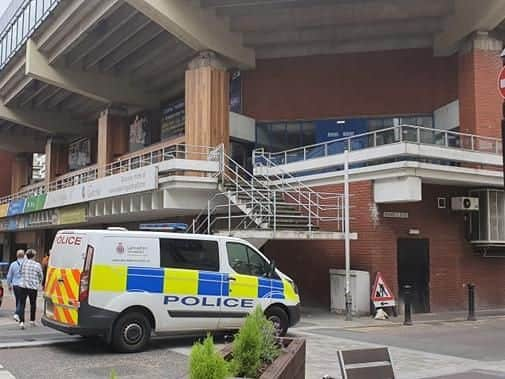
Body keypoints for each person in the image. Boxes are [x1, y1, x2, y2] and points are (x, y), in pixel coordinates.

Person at [18, 248, 43, 329]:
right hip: (33, 287)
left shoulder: (23, 264)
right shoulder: (37, 265)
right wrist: (39, 283)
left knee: (22, 304)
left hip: (23, 286)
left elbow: (20, 272)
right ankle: (32, 321)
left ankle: (21, 322)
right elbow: (41, 276)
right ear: (34, 256)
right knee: (33, 304)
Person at [6, 249, 25, 322]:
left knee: (18, 299)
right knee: (21, 300)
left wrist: (9, 285)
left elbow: (9, 276)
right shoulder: (26, 264)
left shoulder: (13, 264)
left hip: (15, 285)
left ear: (17, 255)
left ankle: (19, 315)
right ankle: (17, 314)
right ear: (24, 255)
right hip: (23, 285)